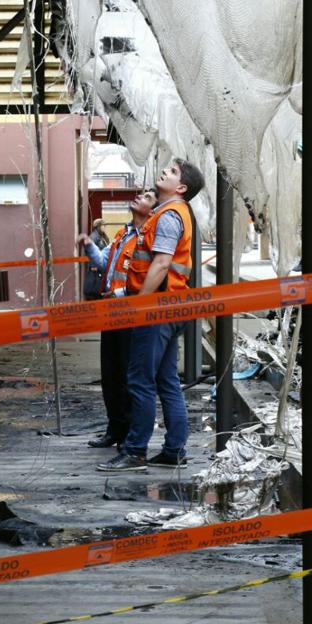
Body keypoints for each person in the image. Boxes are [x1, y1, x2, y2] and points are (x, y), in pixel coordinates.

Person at [97, 160, 205, 472]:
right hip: (170, 308)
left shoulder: (170, 215)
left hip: (156, 309)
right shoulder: (168, 213)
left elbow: (160, 264)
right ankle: (173, 450)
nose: (164, 172)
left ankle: (135, 451)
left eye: (171, 172)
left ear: (181, 188)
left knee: (140, 381)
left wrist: (140, 304)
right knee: (166, 381)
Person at [77, 190, 158, 449]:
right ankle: (115, 429)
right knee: (110, 374)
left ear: (153, 210)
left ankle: (130, 435)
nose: (139, 197)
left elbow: (148, 279)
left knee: (127, 375)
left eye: (147, 197)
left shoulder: (148, 239)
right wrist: (90, 247)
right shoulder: (123, 234)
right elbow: (105, 263)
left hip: (131, 313)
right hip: (111, 312)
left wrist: (122, 293)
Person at [82, 219, 111, 300]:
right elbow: (89, 251)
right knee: (94, 292)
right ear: (98, 226)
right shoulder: (94, 236)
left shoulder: (103, 237)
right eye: (103, 225)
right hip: (95, 269)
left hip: (101, 268)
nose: (104, 227)